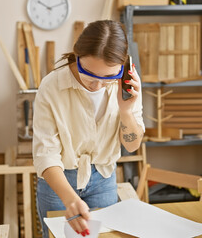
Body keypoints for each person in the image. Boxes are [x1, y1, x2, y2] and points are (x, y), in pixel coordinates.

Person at [33, 20, 145, 238]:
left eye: (109, 77)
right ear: (77, 56)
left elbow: (132, 145)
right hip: (60, 179)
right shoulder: (51, 86)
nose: (97, 85)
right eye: (89, 75)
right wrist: (70, 199)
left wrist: (126, 111)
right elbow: (45, 155)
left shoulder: (128, 84)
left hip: (103, 177)